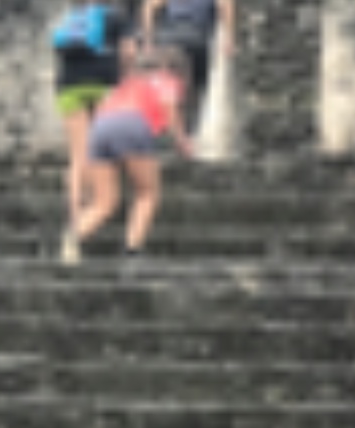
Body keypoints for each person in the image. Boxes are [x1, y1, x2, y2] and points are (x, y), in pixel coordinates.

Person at [61, 48, 194, 265]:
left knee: (104, 203)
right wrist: (183, 143)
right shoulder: (167, 80)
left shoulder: (126, 83)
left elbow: (103, 107)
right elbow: (170, 113)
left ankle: (74, 236)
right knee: (147, 193)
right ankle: (132, 249)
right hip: (132, 123)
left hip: (100, 126)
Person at [52, 1, 139, 215]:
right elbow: (129, 52)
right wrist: (127, 75)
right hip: (103, 83)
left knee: (77, 154)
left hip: (68, 86)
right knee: (100, 146)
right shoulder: (117, 16)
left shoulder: (73, 16)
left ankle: (75, 214)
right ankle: (96, 201)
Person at [141, 0, 233, 140]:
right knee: (196, 87)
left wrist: (148, 39)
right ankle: (187, 132)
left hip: (169, 39)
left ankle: (168, 129)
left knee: (170, 86)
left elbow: (148, 7)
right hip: (196, 39)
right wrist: (229, 37)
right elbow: (226, 5)